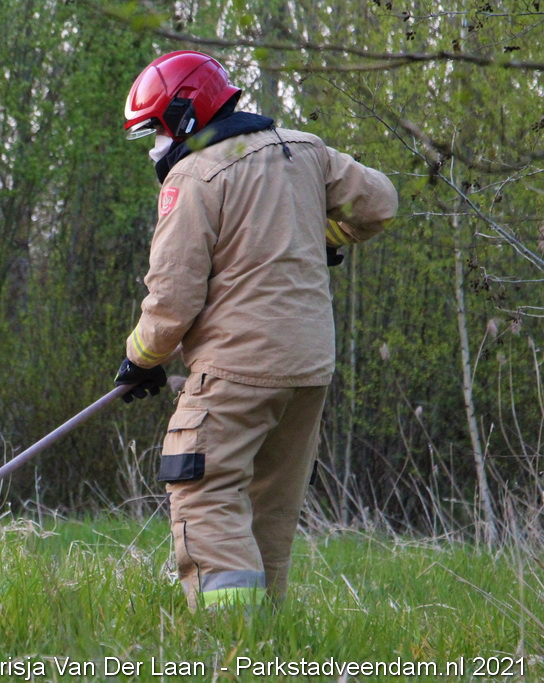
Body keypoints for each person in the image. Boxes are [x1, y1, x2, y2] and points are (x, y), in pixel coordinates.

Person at [113, 51, 398, 611]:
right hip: (308, 371)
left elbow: (171, 299)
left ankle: (230, 649)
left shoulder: (194, 175)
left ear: (183, 115)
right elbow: (380, 204)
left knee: (205, 496)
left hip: (235, 371)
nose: (153, 147)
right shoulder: (304, 150)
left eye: (154, 131)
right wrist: (325, 238)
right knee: (269, 513)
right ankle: (268, 643)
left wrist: (141, 359)